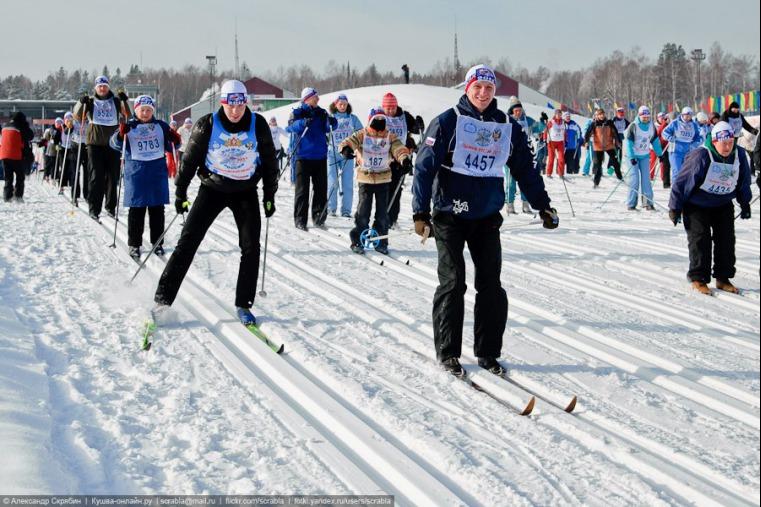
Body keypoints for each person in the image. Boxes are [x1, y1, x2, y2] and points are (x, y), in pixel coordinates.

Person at [412, 64, 557, 377]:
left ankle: (488, 352)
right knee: (453, 283)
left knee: (491, 286)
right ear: (468, 89)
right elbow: (424, 168)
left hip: (486, 216)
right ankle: (448, 352)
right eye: (477, 87)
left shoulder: (506, 125)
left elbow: (525, 169)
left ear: (495, 92)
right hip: (450, 213)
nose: (482, 93)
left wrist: (542, 206)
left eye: (489, 89)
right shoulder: (448, 121)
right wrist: (420, 213)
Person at [153, 80, 279, 326]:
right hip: (213, 188)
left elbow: (269, 162)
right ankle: (162, 301)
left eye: (240, 104)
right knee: (187, 243)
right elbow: (189, 161)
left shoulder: (258, 124)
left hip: (245, 190)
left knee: (251, 247)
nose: (235, 110)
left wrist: (269, 195)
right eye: (230, 105)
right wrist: (181, 193)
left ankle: (244, 304)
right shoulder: (207, 125)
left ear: (245, 103)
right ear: (223, 103)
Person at [668, 121, 752, 295]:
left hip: (723, 204)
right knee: (700, 240)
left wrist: (745, 203)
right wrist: (675, 207)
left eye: (730, 142)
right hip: (697, 205)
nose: (728, 147)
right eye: (724, 143)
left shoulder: (739, 155)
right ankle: (698, 277)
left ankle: (723, 278)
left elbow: (744, 181)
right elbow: (681, 183)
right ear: (714, 141)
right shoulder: (701, 155)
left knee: (726, 241)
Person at [110, 95, 180, 261]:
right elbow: (114, 144)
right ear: (136, 110)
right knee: (137, 210)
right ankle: (134, 244)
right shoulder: (129, 126)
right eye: (142, 110)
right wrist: (120, 135)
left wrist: (176, 140)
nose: (146, 113)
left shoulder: (160, 126)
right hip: (136, 173)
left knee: (157, 210)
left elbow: (173, 145)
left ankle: (158, 243)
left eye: (149, 110)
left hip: (156, 173)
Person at [339, 107, 411, 255]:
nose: (379, 123)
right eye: (375, 120)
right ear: (370, 121)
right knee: (363, 212)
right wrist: (346, 149)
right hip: (365, 178)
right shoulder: (363, 134)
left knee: (382, 213)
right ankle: (357, 240)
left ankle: (381, 240)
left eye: (381, 120)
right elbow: (348, 141)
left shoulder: (389, 136)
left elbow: (399, 149)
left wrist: (404, 160)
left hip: (384, 179)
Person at [73, 75, 129, 221]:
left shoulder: (116, 101)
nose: (102, 88)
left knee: (112, 177)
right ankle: (94, 208)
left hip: (112, 144)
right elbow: (78, 116)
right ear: (95, 88)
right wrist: (81, 102)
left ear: (108, 87)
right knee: (96, 177)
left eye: (104, 86)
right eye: (99, 86)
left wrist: (125, 99)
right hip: (94, 144)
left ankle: (110, 207)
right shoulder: (90, 102)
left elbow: (127, 114)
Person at [286, 87, 337, 230]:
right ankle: (300, 220)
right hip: (302, 157)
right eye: (315, 97)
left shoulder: (322, 112)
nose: (318, 99)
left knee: (321, 189)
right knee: (302, 190)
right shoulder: (297, 112)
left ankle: (319, 217)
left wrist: (332, 123)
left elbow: (328, 127)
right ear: (307, 98)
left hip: (320, 157)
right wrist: (302, 123)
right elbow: (289, 127)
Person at [382, 92, 422, 228]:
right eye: (387, 108)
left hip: (400, 159)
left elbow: (415, 130)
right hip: (384, 158)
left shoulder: (404, 116)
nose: (390, 111)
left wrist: (418, 125)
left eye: (392, 108)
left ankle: (392, 219)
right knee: (384, 189)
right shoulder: (380, 116)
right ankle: (382, 217)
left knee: (396, 189)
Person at [328, 94, 363, 217]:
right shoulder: (331, 117)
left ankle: (346, 210)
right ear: (335, 104)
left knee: (347, 183)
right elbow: (323, 132)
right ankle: (331, 208)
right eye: (340, 104)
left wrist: (357, 150)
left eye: (345, 104)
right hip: (332, 153)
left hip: (347, 155)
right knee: (332, 181)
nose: (342, 106)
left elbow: (361, 134)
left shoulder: (352, 118)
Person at [623, 106, 663, 210]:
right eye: (643, 117)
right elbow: (629, 143)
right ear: (639, 116)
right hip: (633, 156)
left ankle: (648, 203)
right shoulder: (634, 126)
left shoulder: (651, 126)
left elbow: (655, 141)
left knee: (646, 180)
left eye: (647, 117)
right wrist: (632, 157)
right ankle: (631, 204)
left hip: (644, 156)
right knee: (635, 179)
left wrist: (660, 154)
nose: (646, 119)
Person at [504, 97, 536, 213]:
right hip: (510, 157)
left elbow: (537, 129)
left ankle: (525, 204)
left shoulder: (527, 120)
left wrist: (543, 123)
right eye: (515, 110)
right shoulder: (506, 121)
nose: (518, 112)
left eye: (519, 109)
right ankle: (510, 204)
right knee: (510, 182)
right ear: (512, 111)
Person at [583, 108, 622, 188]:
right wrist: (586, 141)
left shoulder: (609, 123)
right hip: (598, 146)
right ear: (597, 116)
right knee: (598, 165)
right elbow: (588, 133)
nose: (602, 116)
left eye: (603, 114)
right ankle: (596, 183)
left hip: (609, 145)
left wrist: (618, 142)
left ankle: (620, 177)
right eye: (600, 115)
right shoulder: (594, 124)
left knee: (615, 161)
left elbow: (615, 132)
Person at [1, 112, 34, 202]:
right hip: (16, 155)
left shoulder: (5, 126)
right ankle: (18, 196)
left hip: (4, 155)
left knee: (8, 178)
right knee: (20, 176)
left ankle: (7, 196)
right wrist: (26, 126)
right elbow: (30, 136)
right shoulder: (20, 126)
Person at [662, 107, 702, 181]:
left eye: (689, 116)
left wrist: (694, 144)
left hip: (688, 151)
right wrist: (670, 138)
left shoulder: (694, 125)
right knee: (677, 172)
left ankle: (683, 190)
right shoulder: (675, 123)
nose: (688, 118)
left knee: (686, 173)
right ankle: (676, 190)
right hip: (675, 151)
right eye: (686, 115)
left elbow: (698, 137)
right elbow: (664, 132)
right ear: (682, 115)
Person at [650, 112, 672, 188]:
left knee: (664, 163)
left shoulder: (667, 125)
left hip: (664, 147)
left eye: (663, 117)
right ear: (657, 118)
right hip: (655, 147)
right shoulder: (654, 125)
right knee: (653, 161)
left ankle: (663, 177)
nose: (662, 119)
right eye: (660, 117)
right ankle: (650, 175)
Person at [544, 109, 566, 178]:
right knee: (551, 158)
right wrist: (545, 139)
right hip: (552, 142)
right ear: (555, 115)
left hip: (560, 143)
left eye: (560, 114)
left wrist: (565, 140)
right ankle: (549, 173)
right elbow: (546, 131)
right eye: (557, 114)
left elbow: (564, 132)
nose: (559, 116)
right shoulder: (551, 122)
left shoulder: (563, 122)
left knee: (561, 159)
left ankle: (561, 173)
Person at [612, 107, 630, 175]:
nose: (621, 115)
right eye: (620, 113)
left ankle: (618, 167)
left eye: (622, 114)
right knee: (613, 153)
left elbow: (630, 125)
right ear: (617, 114)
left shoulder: (625, 121)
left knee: (620, 153)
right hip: (613, 137)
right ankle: (611, 167)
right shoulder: (614, 120)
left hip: (620, 136)